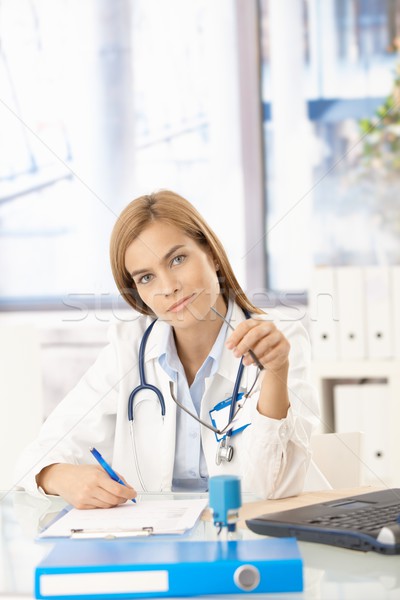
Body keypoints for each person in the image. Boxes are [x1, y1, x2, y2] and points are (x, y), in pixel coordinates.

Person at [15, 190, 319, 509]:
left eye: (177, 259)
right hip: (157, 545)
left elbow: (275, 486)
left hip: (248, 542)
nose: (168, 287)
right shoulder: (128, 348)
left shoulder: (279, 340)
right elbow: (35, 457)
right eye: (146, 277)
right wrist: (61, 477)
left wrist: (276, 371)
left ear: (212, 254)